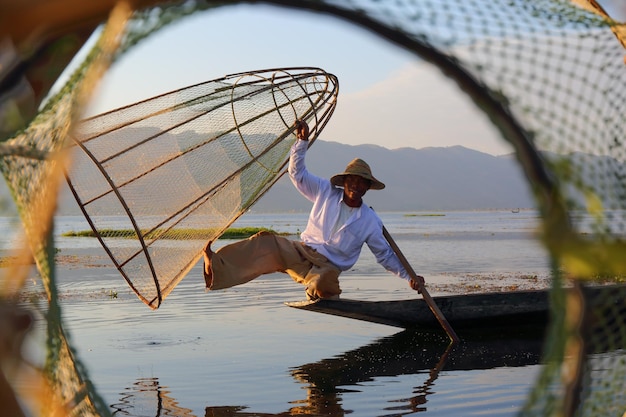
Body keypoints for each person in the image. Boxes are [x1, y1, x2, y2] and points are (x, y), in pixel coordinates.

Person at [202, 120, 425, 300]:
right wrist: (301, 143)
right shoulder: (325, 190)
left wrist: (409, 276)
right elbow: (297, 174)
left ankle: (315, 292)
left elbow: (385, 255)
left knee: (324, 282)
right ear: (344, 182)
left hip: (327, 266)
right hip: (300, 252)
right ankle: (216, 266)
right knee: (265, 241)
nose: (356, 186)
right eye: (352, 181)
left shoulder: (369, 220)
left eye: (361, 183)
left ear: (367, 187)